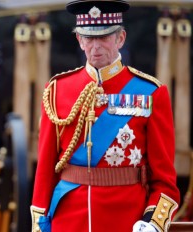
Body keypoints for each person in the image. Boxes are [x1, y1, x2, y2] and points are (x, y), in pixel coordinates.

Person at [30, 1, 180, 232]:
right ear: (79, 40)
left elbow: (165, 180)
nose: (96, 46)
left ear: (120, 39)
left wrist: (153, 223)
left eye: (104, 37)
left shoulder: (150, 92)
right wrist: (39, 222)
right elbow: (46, 170)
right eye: (89, 38)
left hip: (126, 220)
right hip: (68, 221)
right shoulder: (57, 90)